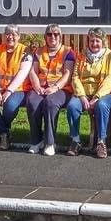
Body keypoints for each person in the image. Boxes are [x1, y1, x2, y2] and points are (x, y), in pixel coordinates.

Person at [65, 28, 111, 158]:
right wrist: (82, 96)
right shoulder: (81, 55)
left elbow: (109, 79)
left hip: (104, 93)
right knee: (72, 106)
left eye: (97, 41)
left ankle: (101, 141)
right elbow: (75, 77)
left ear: (103, 42)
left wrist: (96, 97)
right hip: (83, 93)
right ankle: (75, 140)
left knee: (102, 106)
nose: (94, 44)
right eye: (92, 40)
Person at [26, 23, 76, 156]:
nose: (52, 37)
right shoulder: (38, 51)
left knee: (50, 103)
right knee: (32, 101)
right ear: (45, 37)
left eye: (56, 34)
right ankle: (36, 141)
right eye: (49, 34)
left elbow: (67, 73)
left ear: (61, 36)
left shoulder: (68, 52)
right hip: (41, 86)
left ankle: (50, 142)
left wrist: (55, 87)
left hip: (61, 88)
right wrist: (36, 85)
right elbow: (33, 71)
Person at [0, 24, 32, 150]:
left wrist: (9, 91)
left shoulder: (26, 51)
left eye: (14, 34)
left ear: (19, 37)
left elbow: (23, 73)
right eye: (8, 34)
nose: (11, 37)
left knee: (10, 106)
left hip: (19, 89)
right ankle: (4, 132)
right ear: (4, 36)